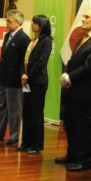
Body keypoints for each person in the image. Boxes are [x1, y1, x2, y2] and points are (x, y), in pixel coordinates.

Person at [55, 9, 91, 172]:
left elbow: (89, 67)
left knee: (82, 125)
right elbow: (72, 60)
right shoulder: (80, 39)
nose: (83, 19)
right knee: (70, 123)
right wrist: (65, 73)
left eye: (87, 17)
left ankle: (84, 160)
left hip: (84, 90)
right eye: (83, 16)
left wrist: (69, 78)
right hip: (71, 89)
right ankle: (71, 154)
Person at [0, 10, 31, 145]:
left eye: (9, 21)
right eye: (7, 21)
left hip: (14, 80)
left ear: (18, 22)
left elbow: (25, 60)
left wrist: (22, 75)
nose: (7, 23)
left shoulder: (24, 38)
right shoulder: (7, 36)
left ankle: (14, 135)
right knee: (1, 106)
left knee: (14, 108)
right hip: (3, 77)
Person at [19, 14, 53, 154]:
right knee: (26, 112)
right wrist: (23, 73)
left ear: (41, 25)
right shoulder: (32, 40)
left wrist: (28, 75)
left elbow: (41, 62)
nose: (32, 25)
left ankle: (36, 144)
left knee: (36, 113)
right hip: (27, 81)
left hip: (38, 82)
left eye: (34, 23)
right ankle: (26, 141)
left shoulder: (46, 41)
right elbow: (25, 59)